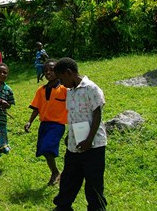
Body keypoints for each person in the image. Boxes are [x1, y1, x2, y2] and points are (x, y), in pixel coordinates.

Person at [53, 57, 107, 211]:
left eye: (61, 79)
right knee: (69, 179)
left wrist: (89, 140)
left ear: (69, 73)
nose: (61, 83)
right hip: (74, 145)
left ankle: (96, 208)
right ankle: (63, 207)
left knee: (93, 183)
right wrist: (70, 136)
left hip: (93, 145)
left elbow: (97, 115)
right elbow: (73, 116)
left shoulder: (91, 88)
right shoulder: (70, 92)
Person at [24, 59, 68, 186]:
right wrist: (29, 122)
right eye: (45, 71)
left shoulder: (64, 89)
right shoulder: (41, 90)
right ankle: (55, 171)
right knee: (43, 150)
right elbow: (36, 108)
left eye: (52, 69)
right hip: (44, 124)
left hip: (57, 125)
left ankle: (56, 173)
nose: (48, 72)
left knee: (47, 148)